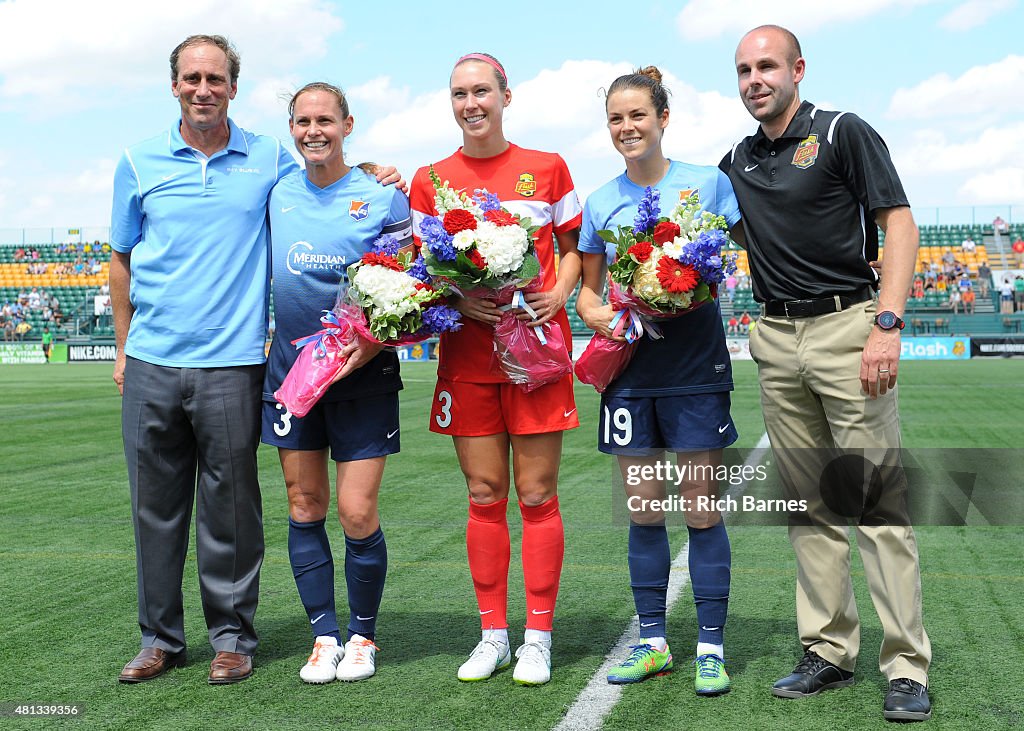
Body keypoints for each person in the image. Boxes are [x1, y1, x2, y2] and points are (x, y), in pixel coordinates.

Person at [109, 34, 399, 687]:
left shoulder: (267, 156)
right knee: (154, 509)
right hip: (153, 360)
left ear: (233, 88)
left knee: (232, 508)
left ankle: (232, 638)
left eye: (216, 77)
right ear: (175, 84)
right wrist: (124, 347)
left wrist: (375, 168)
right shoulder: (137, 160)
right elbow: (121, 258)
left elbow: (328, 172)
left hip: (235, 362)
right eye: (192, 78)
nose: (203, 88)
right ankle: (159, 638)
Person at [720, 25, 932, 722]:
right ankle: (829, 651)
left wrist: (887, 323)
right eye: (745, 69)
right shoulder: (736, 161)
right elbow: (709, 223)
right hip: (776, 337)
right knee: (806, 506)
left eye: (767, 66)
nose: (756, 79)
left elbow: (898, 223)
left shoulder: (843, 131)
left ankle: (905, 663)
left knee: (874, 503)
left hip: (850, 328)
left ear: (797, 69)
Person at [408, 52, 582, 686]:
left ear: (506, 96)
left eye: (482, 91)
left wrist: (562, 292)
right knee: (484, 497)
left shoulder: (548, 167)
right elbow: (423, 273)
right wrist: (459, 299)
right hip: (468, 361)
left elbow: (572, 252)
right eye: (459, 93)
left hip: (535, 359)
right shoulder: (430, 180)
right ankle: (493, 635)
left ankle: (538, 635)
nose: (471, 103)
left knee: (537, 497)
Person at [575, 67, 742, 694]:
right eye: (616, 118)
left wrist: (682, 287)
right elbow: (589, 297)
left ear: (663, 118)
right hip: (632, 376)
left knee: (701, 510)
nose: (627, 127)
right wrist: (614, 317)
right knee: (644, 512)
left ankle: (710, 647)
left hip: (696, 370)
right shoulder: (600, 202)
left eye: (637, 115)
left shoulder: (707, 184)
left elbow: (723, 263)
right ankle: (652, 643)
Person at [261, 82, 411, 684]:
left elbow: (410, 283)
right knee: (304, 506)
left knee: (355, 511)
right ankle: (324, 635)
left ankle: (363, 637)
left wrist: (372, 340)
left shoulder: (381, 195)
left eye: (326, 119)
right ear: (291, 128)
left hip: (363, 371)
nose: (314, 130)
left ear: (348, 124)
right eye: (302, 121)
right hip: (293, 371)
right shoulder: (275, 192)